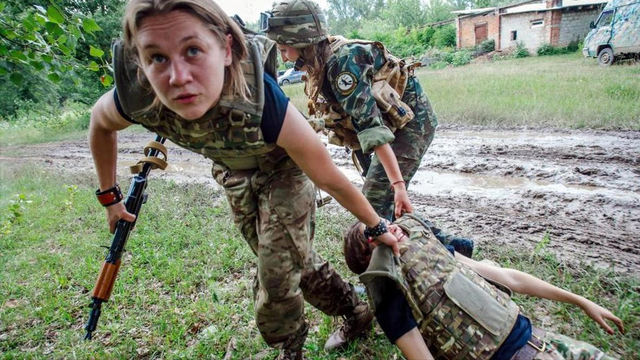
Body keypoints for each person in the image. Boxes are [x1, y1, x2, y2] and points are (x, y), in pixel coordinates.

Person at [88, 1, 403, 359]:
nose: (177, 77)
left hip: (283, 171)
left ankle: (290, 347)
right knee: (293, 261)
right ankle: (354, 310)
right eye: (157, 57)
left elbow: (329, 177)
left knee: (275, 277)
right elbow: (100, 125)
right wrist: (109, 198)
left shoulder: (261, 99)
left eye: (193, 50)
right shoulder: (138, 95)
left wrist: (377, 226)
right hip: (232, 173)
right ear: (140, 62)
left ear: (225, 49)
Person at [343, 214, 624, 360]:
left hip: (542, 339)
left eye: (381, 221)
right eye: (373, 232)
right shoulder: (389, 293)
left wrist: (581, 301)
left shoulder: (431, 254)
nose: (387, 226)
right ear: (370, 258)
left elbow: (509, 278)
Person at [263, 0, 439, 221]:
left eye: (283, 50)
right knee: (382, 205)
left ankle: (439, 250)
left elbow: (372, 128)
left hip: (411, 124)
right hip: (387, 127)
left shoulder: (343, 64)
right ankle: (455, 247)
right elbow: (341, 114)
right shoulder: (319, 61)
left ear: (300, 42)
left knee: (374, 206)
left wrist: (398, 185)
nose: (283, 58)